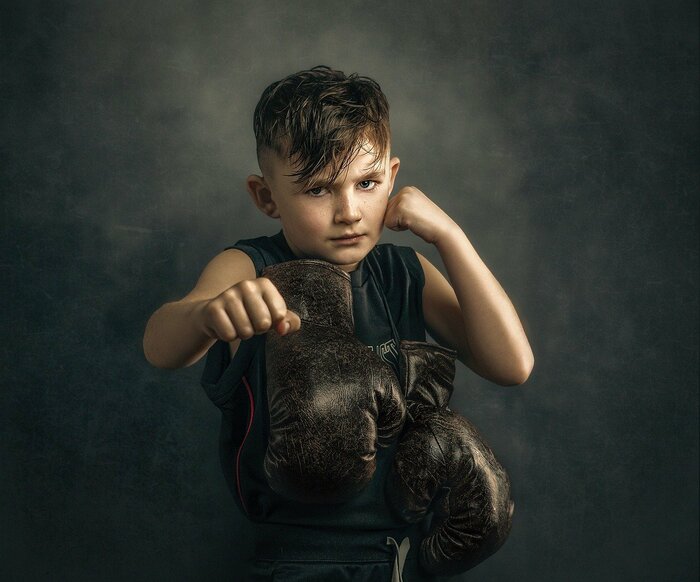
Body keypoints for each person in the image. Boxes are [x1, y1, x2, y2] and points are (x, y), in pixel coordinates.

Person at [143, 65, 534, 581]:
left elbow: (512, 365)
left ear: (392, 178)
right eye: (318, 190)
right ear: (266, 198)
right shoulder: (252, 268)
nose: (349, 211)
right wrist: (207, 314)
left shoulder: (403, 270)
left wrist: (450, 236)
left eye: (367, 183)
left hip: (402, 557)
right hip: (296, 561)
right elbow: (161, 346)